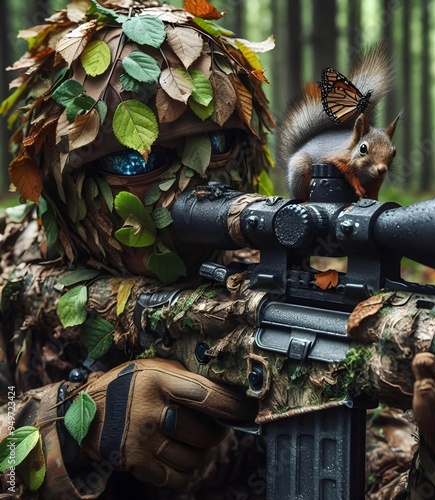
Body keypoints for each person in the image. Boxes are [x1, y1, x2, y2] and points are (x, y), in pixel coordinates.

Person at [0, 1, 273, 498]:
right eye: (135, 158)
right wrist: (67, 424)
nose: (192, 186)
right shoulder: (9, 266)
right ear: (61, 183)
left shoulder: (266, 286)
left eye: (216, 146)